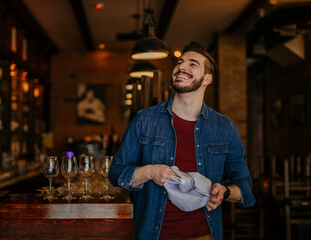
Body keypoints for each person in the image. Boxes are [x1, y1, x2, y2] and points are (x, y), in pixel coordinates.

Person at [109, 41, 255, 240]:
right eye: (180, 62)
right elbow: (116, 173)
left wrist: (225, 192)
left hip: (205, 235)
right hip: (154, 234)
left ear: (207, 78)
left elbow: (244, 185)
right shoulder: (144, 120)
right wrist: (150, 172)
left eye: (193, 64)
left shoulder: (224, 128)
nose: (182, 66)